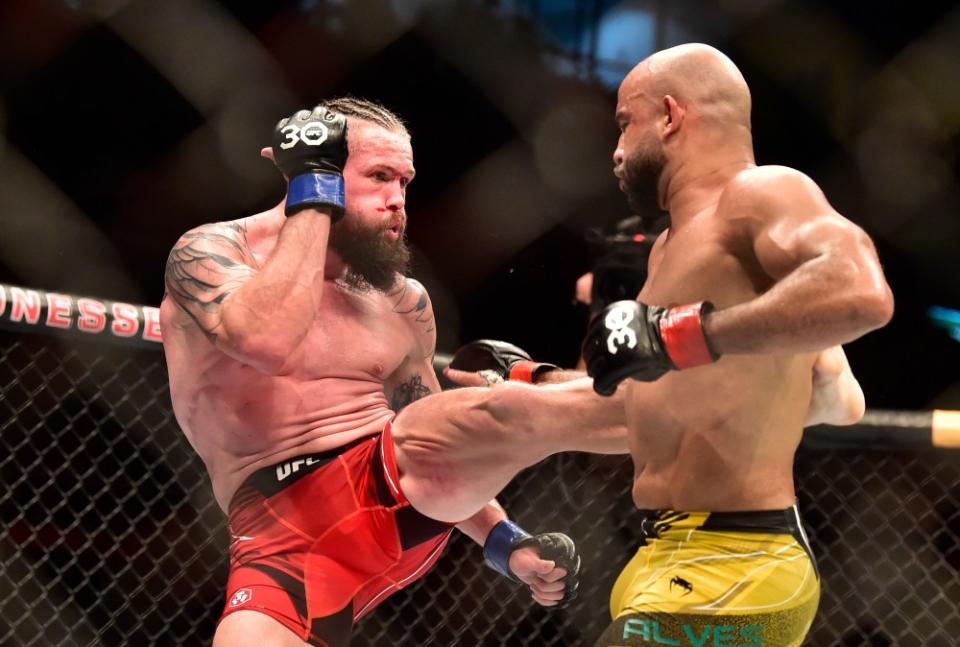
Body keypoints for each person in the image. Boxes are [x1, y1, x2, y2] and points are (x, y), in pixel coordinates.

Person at [160, 98, 612, 647]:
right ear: (317, 170)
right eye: (378, 177)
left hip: (385, 482)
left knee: (498, 410)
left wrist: (501, 537)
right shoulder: (210, 253)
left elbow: (436, 432)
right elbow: (265, 341)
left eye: (405, 181)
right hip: (275, 542)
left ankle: (660, 403)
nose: (397, 200)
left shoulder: (400, 300)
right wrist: (313, 192)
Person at [581, 43, 893, 646]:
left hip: (742, 560)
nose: (616, 152)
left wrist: (686, 335)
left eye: (625, 124)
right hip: (659, 555)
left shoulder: (759, 193)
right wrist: (525, 382)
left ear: (670, 116)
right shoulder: (667, 250)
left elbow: (861, 289)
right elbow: (841, 401)